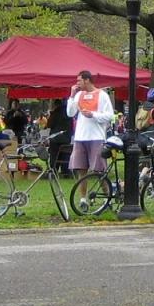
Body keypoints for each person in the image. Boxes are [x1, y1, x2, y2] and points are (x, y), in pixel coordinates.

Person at [67, 70, 114, 211]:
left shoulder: (102, 95)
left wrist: (93, 115)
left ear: (87, 80)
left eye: (79, 80)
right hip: (80, 137)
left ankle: (107, 199)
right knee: (81, 170)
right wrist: (71, 96)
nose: (77, 83)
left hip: (96, 137)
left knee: (99, 170)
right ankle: (83, 199)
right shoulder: (78, 95)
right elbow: (70, 113)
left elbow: (109, 115)